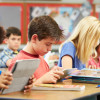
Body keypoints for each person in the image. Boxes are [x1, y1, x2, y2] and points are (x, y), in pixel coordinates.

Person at [9, 15, 64, 85]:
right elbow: (15, 93)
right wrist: (41, 80)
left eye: (51, 44)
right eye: (47, 44)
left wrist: (54, 74)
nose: (50, 49)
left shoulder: (41, 59)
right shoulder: (19, 62)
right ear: (34, 38)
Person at [0, 26, 33, 92]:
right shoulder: (3, 54)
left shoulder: (20, 53)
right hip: (7, 86)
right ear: (6, 40)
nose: (16, 42)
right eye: (13, 39)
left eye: (18, 39)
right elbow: (13, 64)